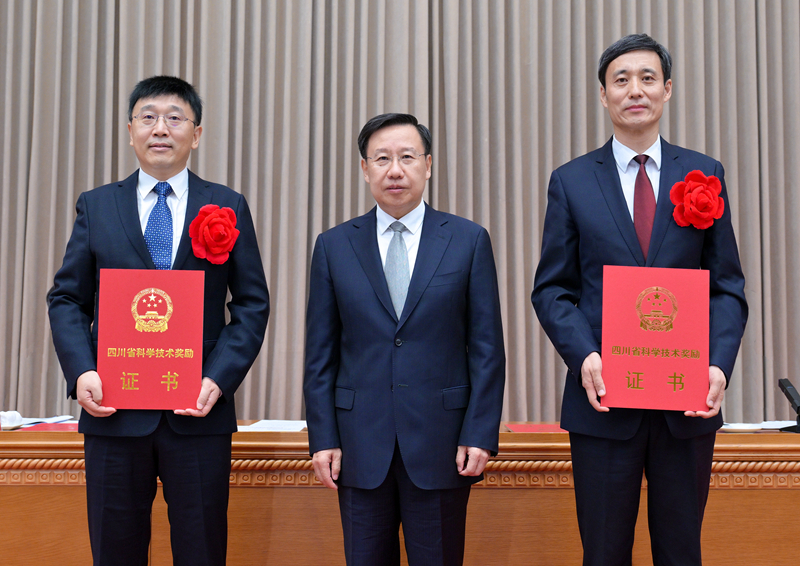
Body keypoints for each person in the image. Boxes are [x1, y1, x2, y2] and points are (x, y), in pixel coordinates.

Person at [532, 34, 748, 566]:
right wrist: (584, 355)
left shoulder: (705, 173)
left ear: (667, 89)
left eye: (647, 78)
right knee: (604, 552)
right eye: (621, 80)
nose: (635, 90)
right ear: (603, 94)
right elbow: (553, 289)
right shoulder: (572, 181)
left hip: (685, 399)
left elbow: (726, 286)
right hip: (604, 401)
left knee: (681, 552)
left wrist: (718, 365)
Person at [48, 76, 270, 566]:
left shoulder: (227, 205)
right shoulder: (97, 204)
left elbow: (252, 304)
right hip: (113, 412)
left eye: (175, 118)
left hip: (197, 411)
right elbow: (66, 299)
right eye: (147, 117)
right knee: (115, 551)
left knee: (202, 550)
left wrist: (219, 378)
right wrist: (82, 371)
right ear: (130, 131)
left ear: (197, 133)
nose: (160, 129)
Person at [303, 112, 505, 566]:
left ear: (428, 165)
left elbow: (487, 348)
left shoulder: (468, 240)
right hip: (358, 446)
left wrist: (479, 432)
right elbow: (320, 354)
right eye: (382, 159)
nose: (395, 170)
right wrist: (323, 437)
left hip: (442, 444)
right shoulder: (334, 246)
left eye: (407, 157)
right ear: (364, 169)